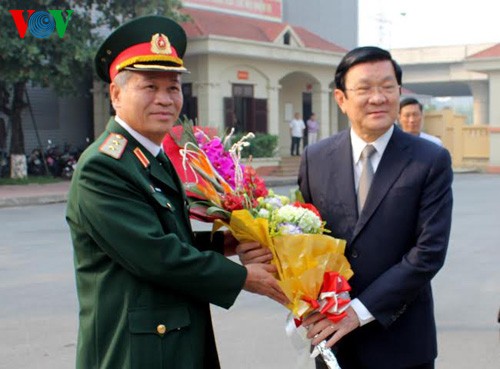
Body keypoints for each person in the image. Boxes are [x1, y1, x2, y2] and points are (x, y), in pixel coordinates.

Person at [65, 15, 287, 369]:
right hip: (134, 351)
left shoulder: (152, 156)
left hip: (171, 337)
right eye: (149, 87)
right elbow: (156, 254)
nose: (165, 99)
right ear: (116, 93)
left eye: (173, 87)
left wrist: (227, 242)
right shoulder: (103, 166)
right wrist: (244, 278)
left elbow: (171, 235)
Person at [298, 46, 453, 368]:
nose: (378, 97)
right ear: (341, 99)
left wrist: (357, 312)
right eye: (365, 88)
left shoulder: (430, 160)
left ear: (399, 91)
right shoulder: (315, 158)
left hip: (402, 341)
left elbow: (428, 253)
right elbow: (304, 239)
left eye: (387, 87)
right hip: (334, 343)